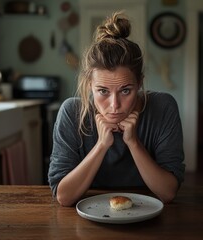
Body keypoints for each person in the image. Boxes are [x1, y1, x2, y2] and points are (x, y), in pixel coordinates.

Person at [48, 12, 185, 207]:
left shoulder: (163, 107)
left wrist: (133, 142)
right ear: (89, 86)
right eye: (103, 91)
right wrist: (102, 145)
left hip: (149, 212)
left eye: (125, 90)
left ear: (139, 83)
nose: (114, 105)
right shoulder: (72, 112)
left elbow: (168, 192)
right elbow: (64, 196)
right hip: (89, 214)